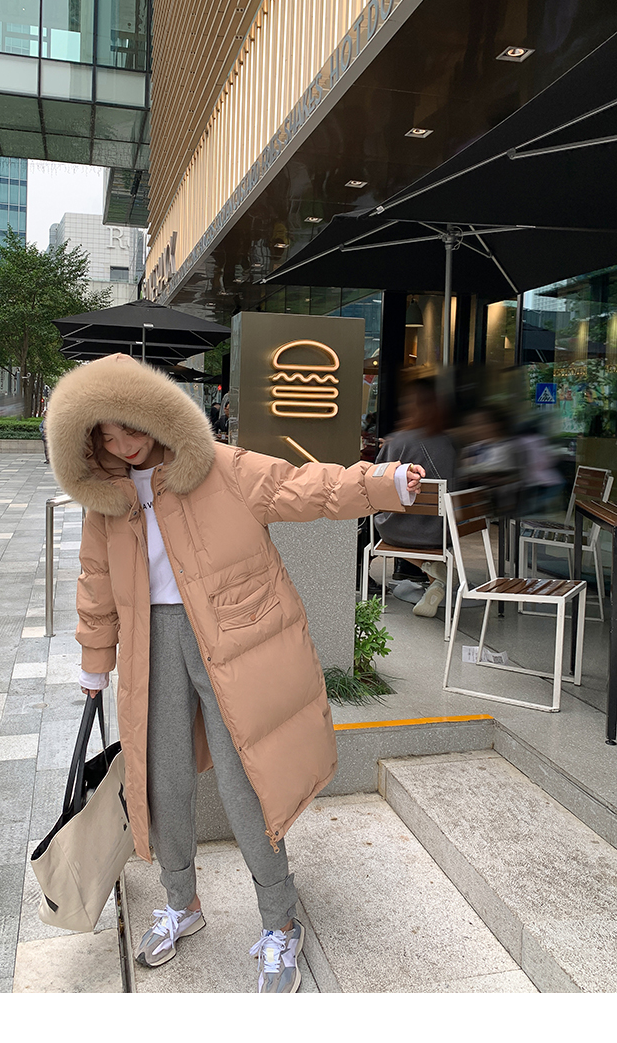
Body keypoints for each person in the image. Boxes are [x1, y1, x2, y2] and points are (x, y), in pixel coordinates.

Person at [45, 354, 423, 993]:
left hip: (232, 639)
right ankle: (181, 902)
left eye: (128, 426)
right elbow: (96, 580)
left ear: (154, 414)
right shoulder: (104, 501)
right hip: (150, 645)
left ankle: (280, 921)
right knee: (160, 779)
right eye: (105, 436)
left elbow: (303, 487)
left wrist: (383, 482)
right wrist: (94, 661)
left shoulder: (218, 467)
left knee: (247, 780)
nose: (122, 445)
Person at [372, 379, 456, 618]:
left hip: (400, 530)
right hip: (442, 532)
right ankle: (435, 580)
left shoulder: (401, 440)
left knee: (371, 520)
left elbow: (377, 478)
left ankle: (428, 568)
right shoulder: (448, 442)